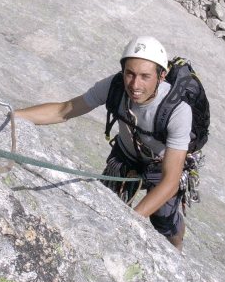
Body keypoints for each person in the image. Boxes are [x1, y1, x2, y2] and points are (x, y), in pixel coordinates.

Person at [14, 36, 192, 251]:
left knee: (163, 218)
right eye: (130, 74)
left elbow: (170, 180)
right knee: (107, 204)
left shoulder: (177, 110)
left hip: (160, 164)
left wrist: (131, 220)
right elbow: (64, 111)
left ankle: (177, 247)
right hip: (127, 154)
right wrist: (13, 117)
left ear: (161, 76)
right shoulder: (114, 86)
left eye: (145, 76)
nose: (135, 85)